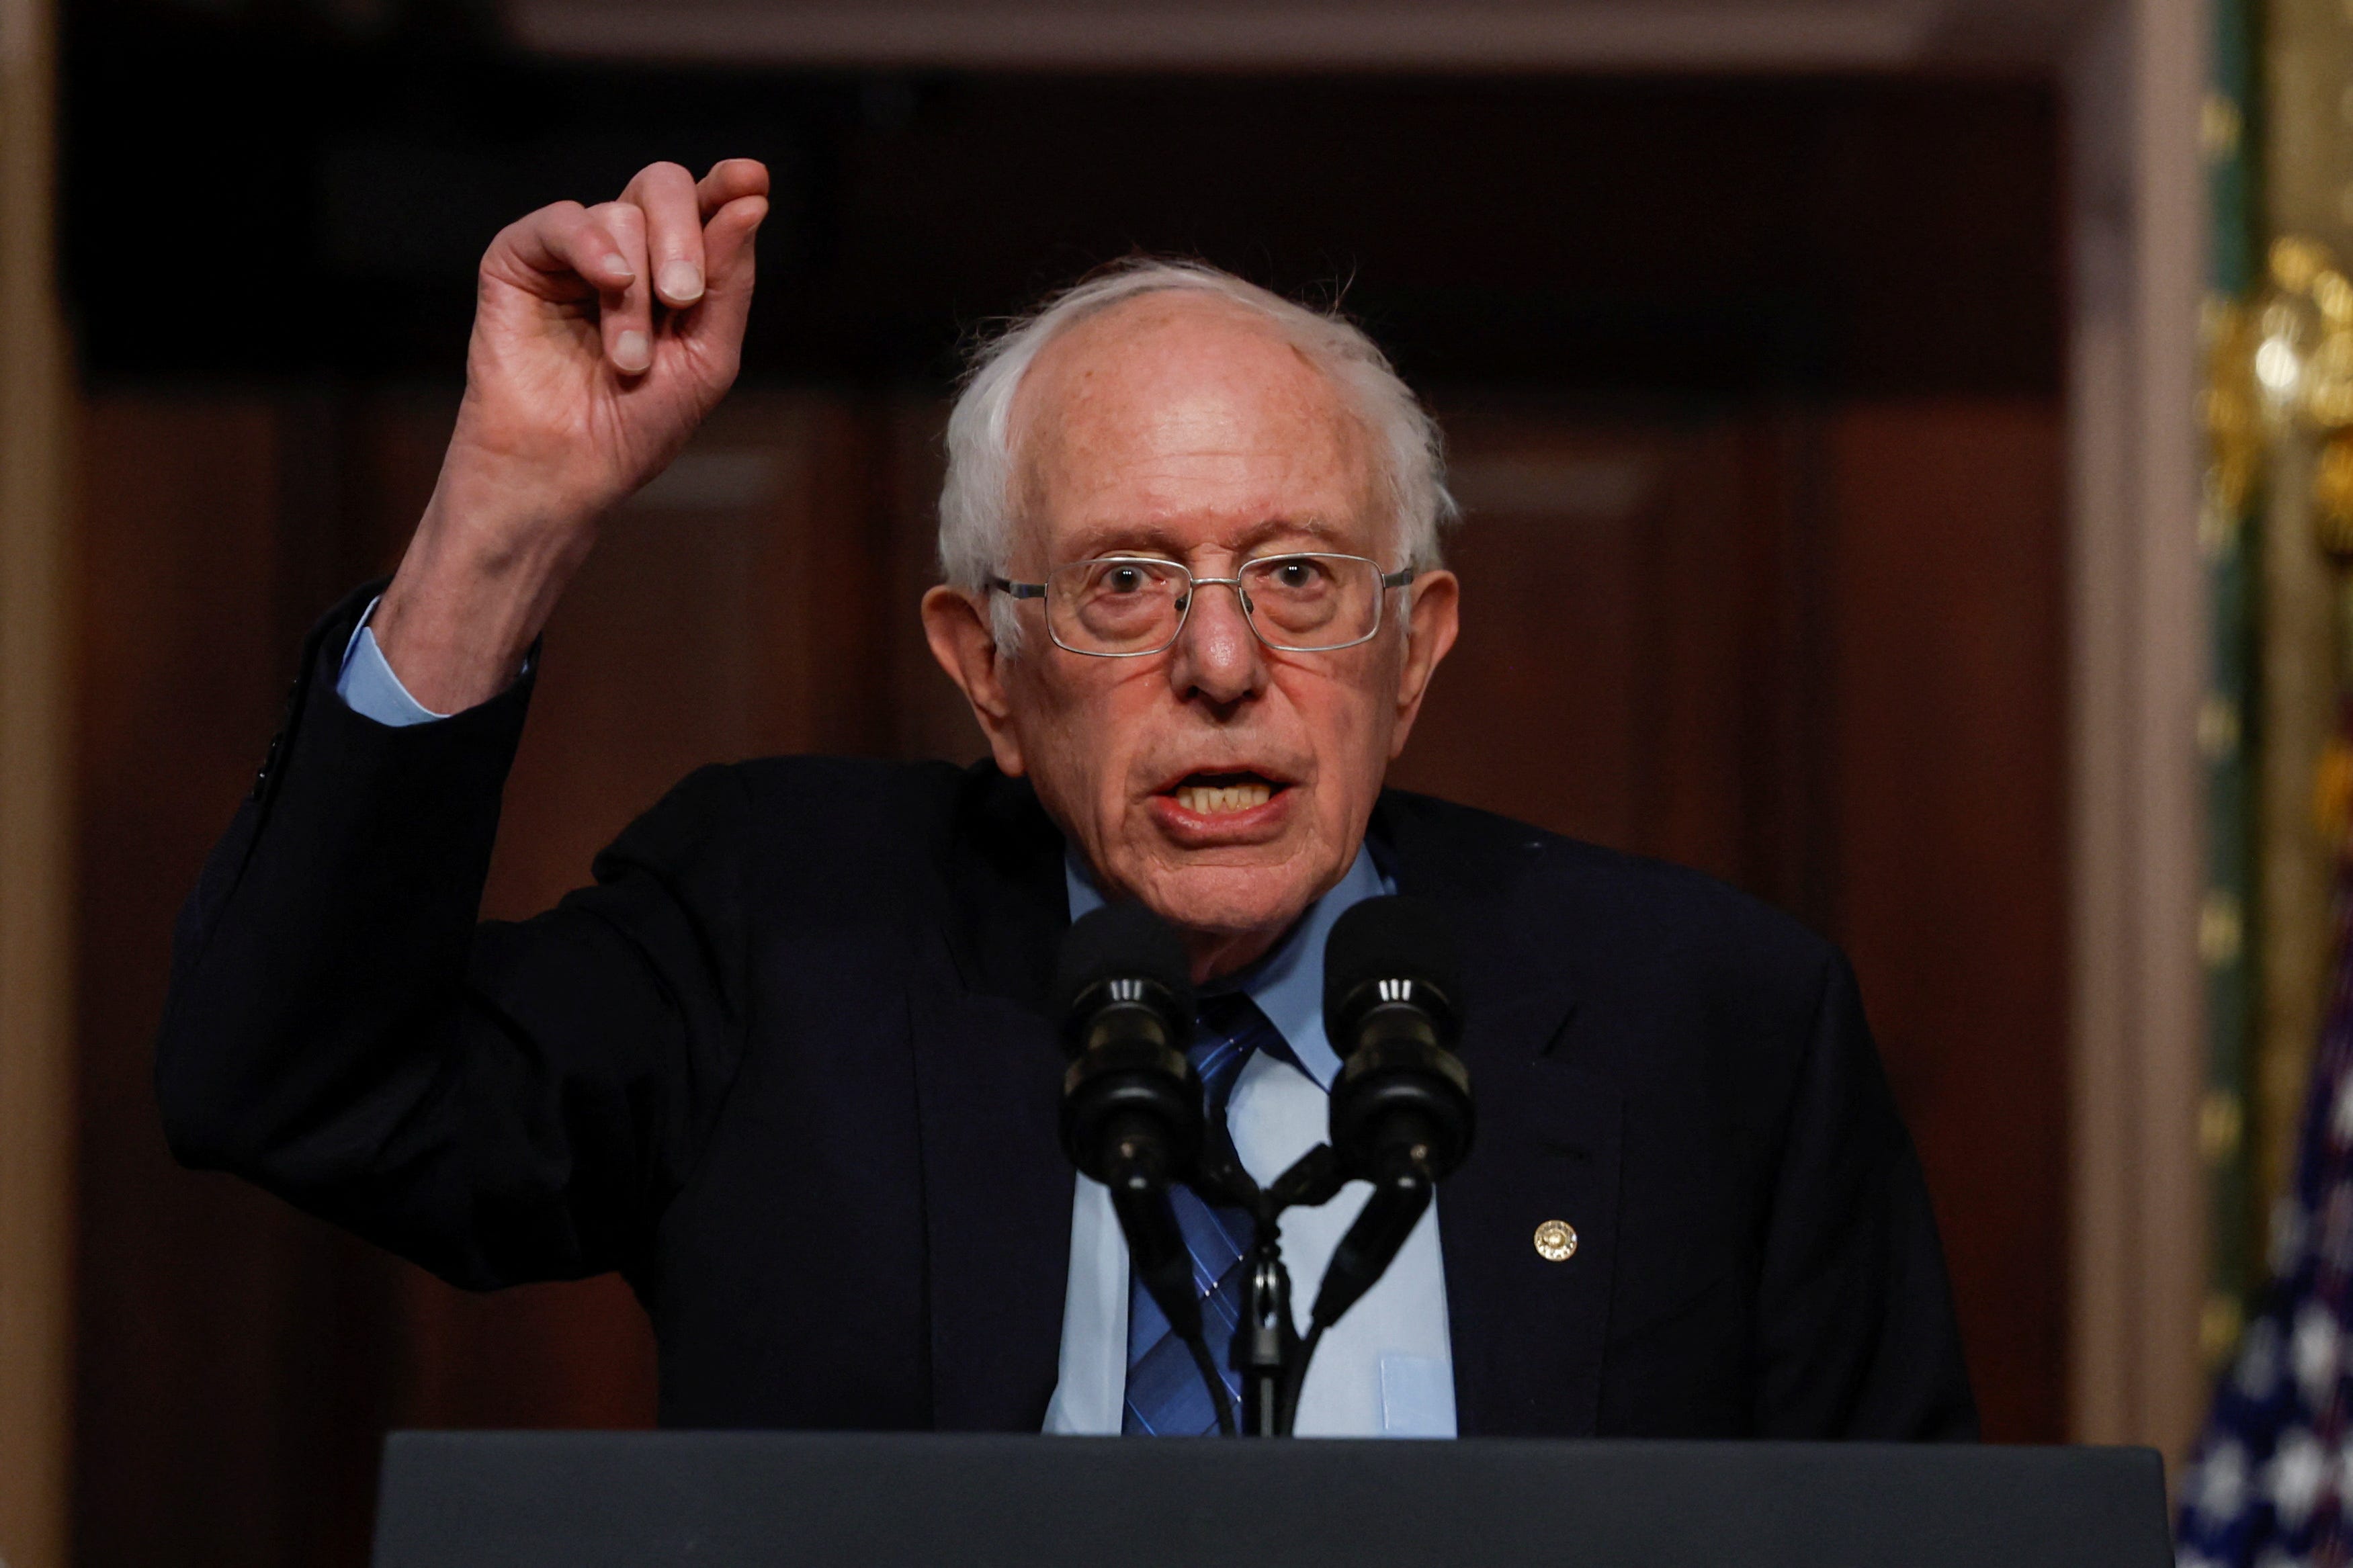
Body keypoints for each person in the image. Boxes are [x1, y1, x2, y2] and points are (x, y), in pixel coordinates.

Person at [157, 158, 1977, 1440]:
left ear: (1413, 652)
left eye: (1297, 578)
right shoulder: (779, 939)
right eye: (1122, 584)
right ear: (983, 670)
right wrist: (507, 516)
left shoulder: (1710, 1027)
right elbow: (298, 1085)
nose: (1218, 662)